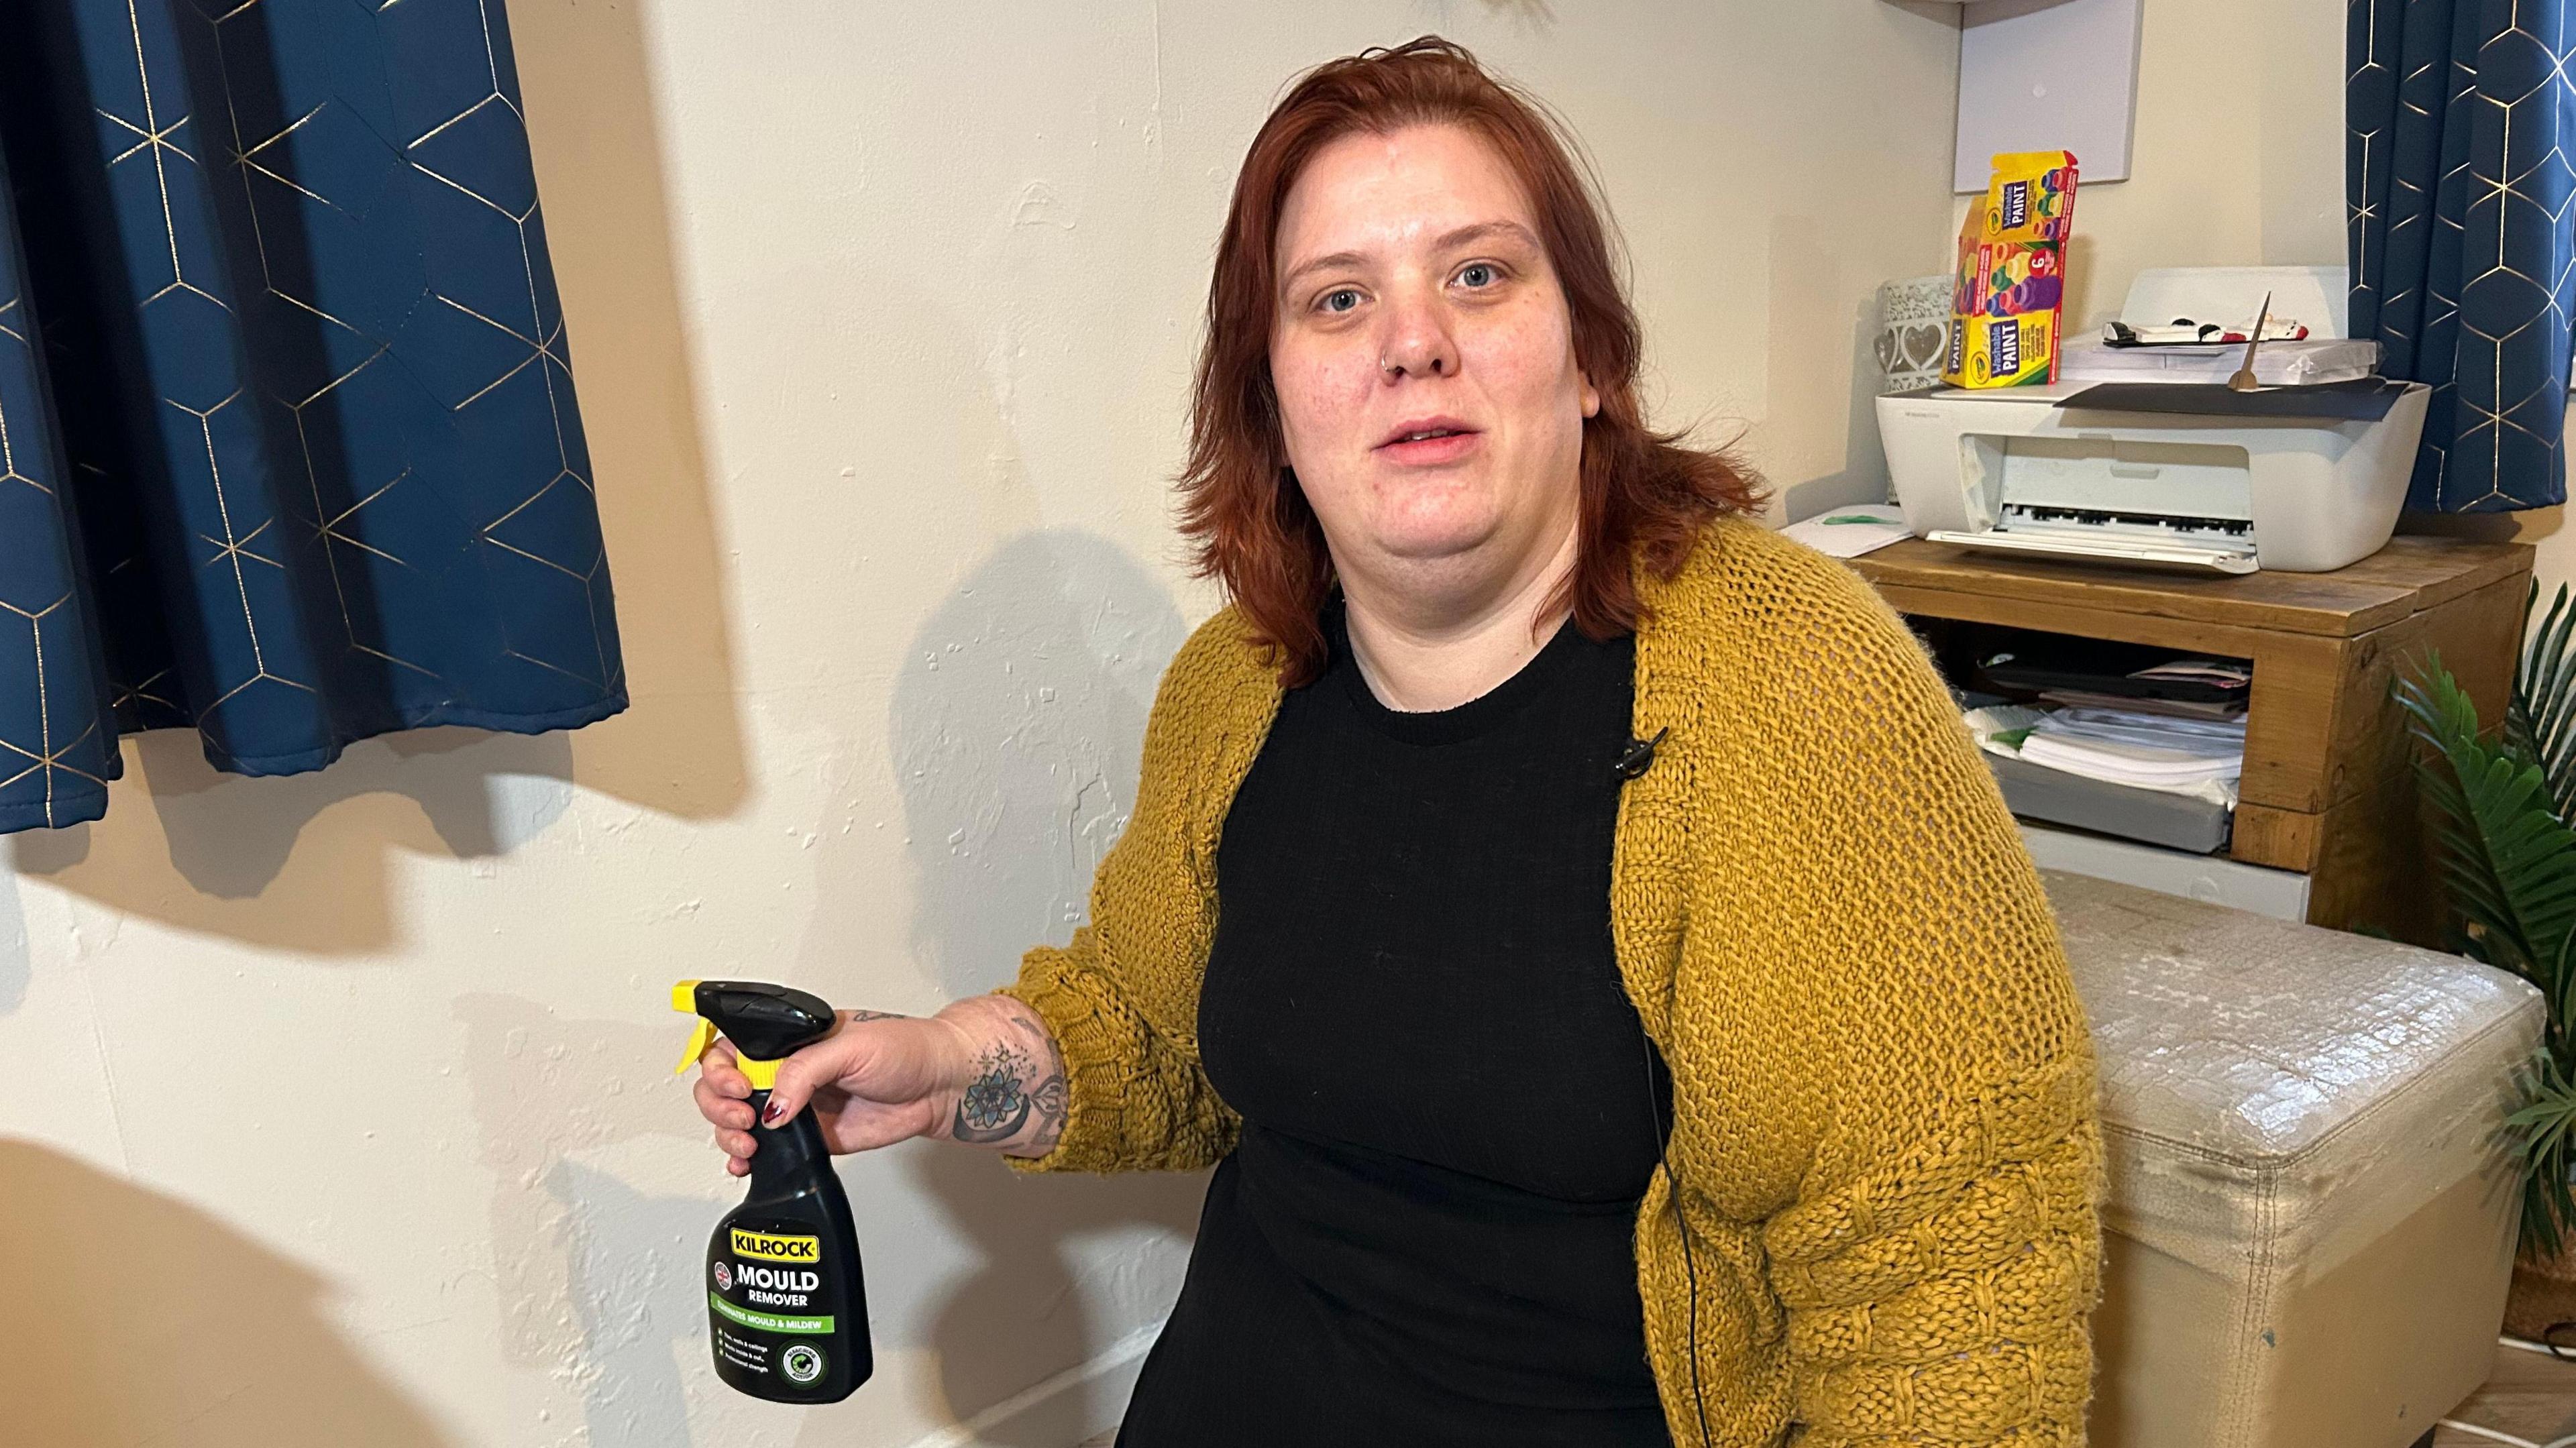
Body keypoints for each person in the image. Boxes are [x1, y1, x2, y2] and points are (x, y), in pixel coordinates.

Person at [694, 36, 2102, 1447]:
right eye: (1337, 298)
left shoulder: (1794, 682)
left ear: (1592, 358)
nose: (1411, 339)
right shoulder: (1236, 685)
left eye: (1479, 275)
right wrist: (947, 1065)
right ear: (1273, 405)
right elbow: (1157, 1031)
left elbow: (1954, 1301)